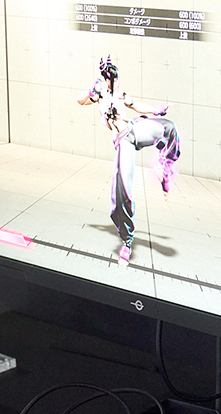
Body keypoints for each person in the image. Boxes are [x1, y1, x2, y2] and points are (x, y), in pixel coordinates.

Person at [77, 55, 181, 266]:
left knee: (169, 128)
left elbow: (136, 106)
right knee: (122, 191)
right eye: (112, 80)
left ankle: (164, 168)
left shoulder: (120, 95)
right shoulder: (99, 96)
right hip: (124, 141)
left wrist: (156, 110)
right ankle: (127, 241)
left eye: (117, 80)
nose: (115, 83)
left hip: (135, 129)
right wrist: (91, 90)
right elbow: (80, 100)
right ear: (106, 80)